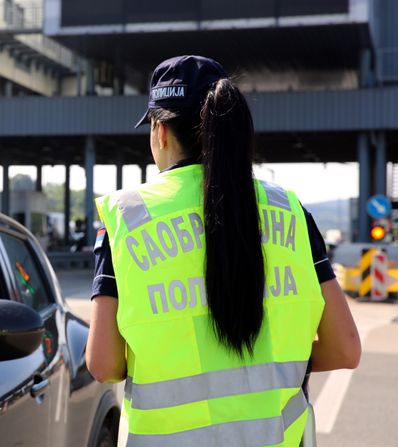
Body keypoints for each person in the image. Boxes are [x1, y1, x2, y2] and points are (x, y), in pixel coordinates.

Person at [86, 55, 361, 446]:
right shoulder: (289, 212)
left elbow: (102, 364)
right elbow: (346, 350)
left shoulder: (127, 218)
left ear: (161, 131)